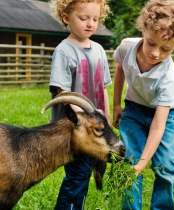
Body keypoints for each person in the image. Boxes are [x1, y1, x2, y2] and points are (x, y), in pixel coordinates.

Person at [113, 0, 174, 209]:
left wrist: (145, 163)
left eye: (166, 49)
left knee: (165, 166)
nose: (155, 53)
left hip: (166, 116)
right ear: (144, 28)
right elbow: (120, 69)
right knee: (130, 163)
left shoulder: (169, 76)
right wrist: (116, 105)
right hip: (133, 108)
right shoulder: (126, 47)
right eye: (151, 42)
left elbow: (158, 126)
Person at [49, 0, 111, 209]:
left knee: (83, 176)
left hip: (95, 128)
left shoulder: (99, 50)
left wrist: (107, 120)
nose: (90, 24)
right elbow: (64, 94)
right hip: (74, 130)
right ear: (67, 18)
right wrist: (86, 121)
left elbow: (103, 89)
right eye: (83, 18)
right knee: (77, 176)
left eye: (95, 19)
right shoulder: (64, 51)